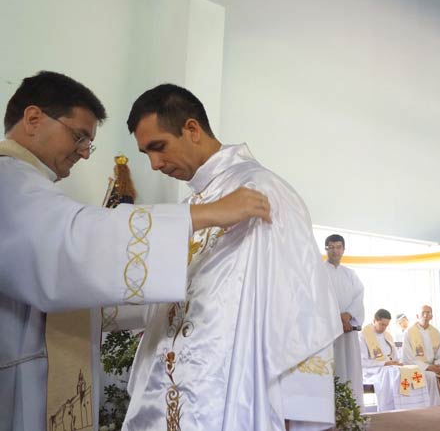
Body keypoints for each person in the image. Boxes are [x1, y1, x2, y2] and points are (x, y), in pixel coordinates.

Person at [0, 71, 270, 431]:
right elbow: (69, 242)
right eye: (79, 136)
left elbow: (73, 280)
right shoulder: (8, 179)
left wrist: (184, 299)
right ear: (33, 119)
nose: (84, 152)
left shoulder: (31, 185)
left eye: (88, 142)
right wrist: (202, 215)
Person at [121, 84, 341, 431]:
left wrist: (297, 405)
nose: (154, 164)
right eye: (145, 153)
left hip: (229, 394)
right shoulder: (190, 207)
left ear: (192, 129)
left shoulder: (262, 189)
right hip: (171, 390)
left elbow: (299, 302)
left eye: (158, 147)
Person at [324, 234, 365, 407]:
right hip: (328, 332)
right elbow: (318, 298)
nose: (335, 251)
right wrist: (337, 319)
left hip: (348, 331)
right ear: (326, 249)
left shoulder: (350, 274)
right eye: (331, 247)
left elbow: (359, 296)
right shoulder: (318, 271)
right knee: (332, 369)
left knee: (350, 368)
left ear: (343, 249)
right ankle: (331, 410)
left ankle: (352, 409)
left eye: (338, 247)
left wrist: (348, 316)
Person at [360, 309, 428, 411]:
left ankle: (413, 406)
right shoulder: (363, 335)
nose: (384, 328)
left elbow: (395, 357)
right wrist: (385, 363)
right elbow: (363, 361)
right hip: (372, 370)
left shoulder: (388, 336)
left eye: (386, 325)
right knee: (394, 373)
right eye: (382, 324)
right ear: (374, 320)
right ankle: (390, 408)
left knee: (413, 370)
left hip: (389, 367)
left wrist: (397, 363)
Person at [401, 304, 440, 406]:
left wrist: (439, 365)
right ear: (417, 316)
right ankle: (433, 407)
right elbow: (408, 358)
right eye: (423, 313)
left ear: (432, 316)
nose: (426, 315)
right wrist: (428, 367)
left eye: (429, 313)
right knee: (430, 376)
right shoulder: (409, 332)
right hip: (418, 368)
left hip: (434, 367)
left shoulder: (435, 332)